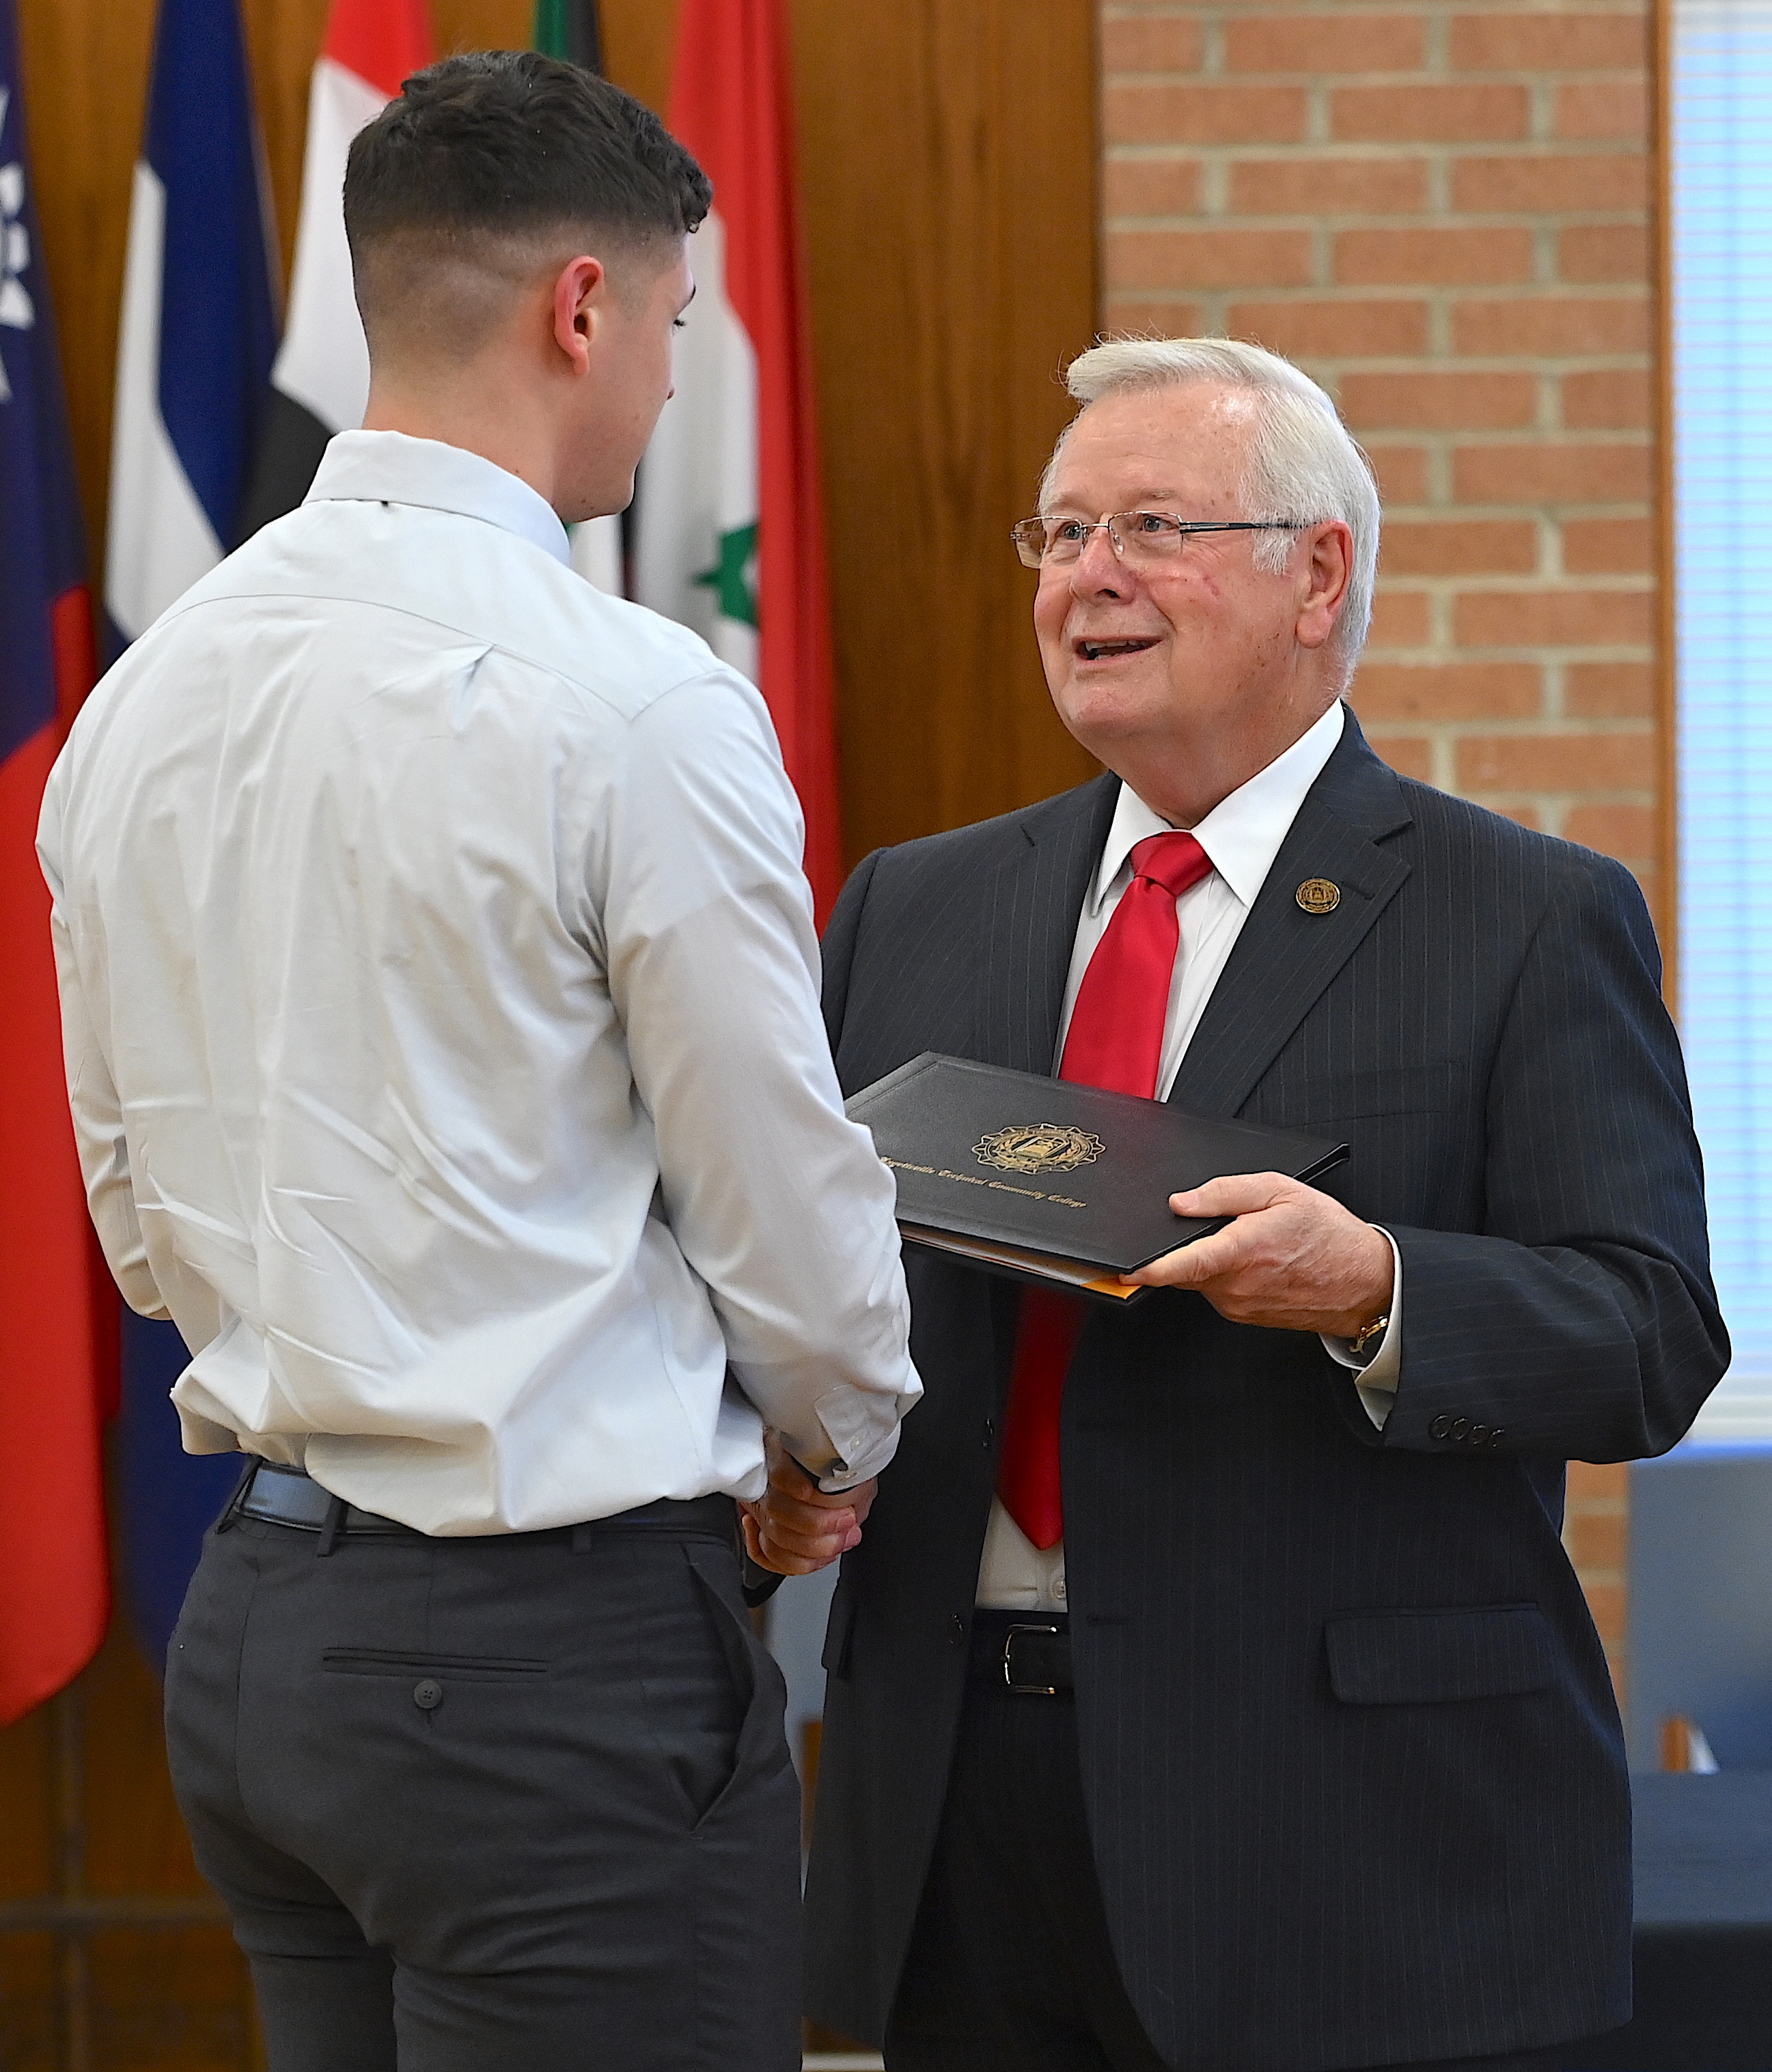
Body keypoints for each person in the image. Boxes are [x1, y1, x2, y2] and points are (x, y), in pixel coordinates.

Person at [38, 51, 917, 2072]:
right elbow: (785, 1217)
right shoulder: (633, 704)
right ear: (582, 308)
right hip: (546, 1669)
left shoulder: (140, 694)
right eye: (678, 327)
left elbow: (137, 1218)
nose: (676, 382)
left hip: (262, 1641)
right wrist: (831, 1448)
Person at [756, 337, 1726, 2072]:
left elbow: (1648, 1335)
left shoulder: (1523, 916)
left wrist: (1376, 1288)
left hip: (1345, 1834)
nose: (1086, 577)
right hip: (961, 1810)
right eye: (1055, 536)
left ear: (1319, 572)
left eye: (1149, 524)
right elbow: (806, 1280)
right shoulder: (914, 906)